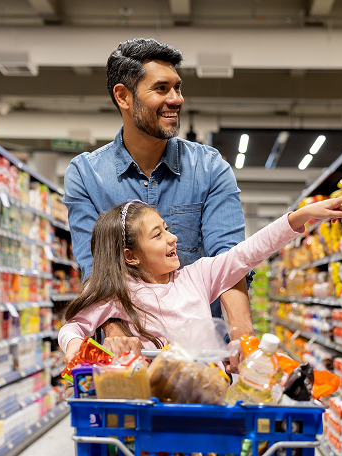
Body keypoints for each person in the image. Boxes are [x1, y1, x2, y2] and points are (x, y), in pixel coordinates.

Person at [63, 38, 253, 369]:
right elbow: (96, 270)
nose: (176, 100)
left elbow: (229, 261)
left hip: (202, 358)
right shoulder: (86, 175)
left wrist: (242, 335)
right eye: (162, 89)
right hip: (129, 361)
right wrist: (115, 331)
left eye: (177, 88)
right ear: (123, 96)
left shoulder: (209, 169)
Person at [59, 191, 342, 367]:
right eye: (158, 234)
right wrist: (74, 346)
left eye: (166, 228)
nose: (172, 238)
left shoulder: (198, 275)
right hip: (152, 403)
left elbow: (246, 253)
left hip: (205, 397)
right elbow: (74, 327)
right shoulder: (120, 293)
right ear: (130, 256)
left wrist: (299, 217)